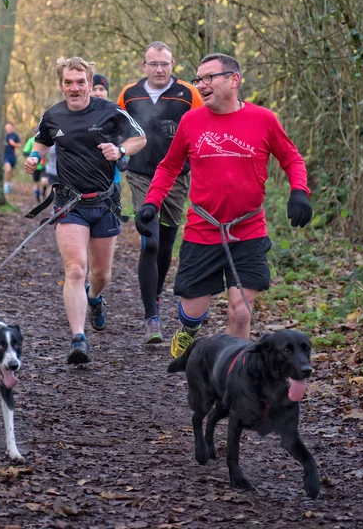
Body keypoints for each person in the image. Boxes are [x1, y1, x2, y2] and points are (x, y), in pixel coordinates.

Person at [135, 53, 312, 356]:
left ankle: (234, 375)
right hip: (202, 229)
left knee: (240, 311)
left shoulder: (264, 119)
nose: (200, 85)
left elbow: (292, 159)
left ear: (233, 80)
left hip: (248, 230)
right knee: (191, 312)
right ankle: (189, 332)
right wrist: (152, 203)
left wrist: (299, 192)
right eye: (198, 79)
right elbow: (168, 167)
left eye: (208, 78)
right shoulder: (191, 121)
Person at [24, 57, 146, 365]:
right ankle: (78, 338)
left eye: (80, 82)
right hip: (69, 203)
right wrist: (34, 159)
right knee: (75, 269)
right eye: (69, 82)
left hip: (104, 202)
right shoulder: (52, 116)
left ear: (90, 85)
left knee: (100, 273)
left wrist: (120, 150)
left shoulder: (110, 112)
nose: (75, 88)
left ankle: (95, 298)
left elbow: (139, 138)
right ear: (61, 85)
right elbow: (41, 143)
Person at [117, 41, 204, 344]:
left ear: (172, 64)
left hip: (177, 177)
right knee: (150, 243)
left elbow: (204, 128)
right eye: (153, 64)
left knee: (166, 245)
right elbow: (116, 129)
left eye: (164, 64)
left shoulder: (187, 94)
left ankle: (154, 295)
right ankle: (151, 316)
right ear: (144, 66)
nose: (158, 69)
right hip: (142, 176)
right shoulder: (129, 94)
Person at [91, 74, 126, 186]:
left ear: (107, 93)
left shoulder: (116, 114)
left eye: (101, 89)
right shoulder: (77, 114)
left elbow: (130, 137)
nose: (97, 93)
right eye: (94, 89)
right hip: (83, 181)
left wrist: (122, 154)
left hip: (112, 180)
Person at [23, 135, 48, 202]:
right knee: (37, 184)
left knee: (44, 181)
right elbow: (25, 152)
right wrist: (33, 154)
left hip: (45, 165)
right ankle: (38, 200)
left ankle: (44, 194)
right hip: (35, 166)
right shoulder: (32, 140)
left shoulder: (50, 138)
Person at [3, 121, 20, 199]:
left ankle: (9, 184)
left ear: (12, 128)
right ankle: (6, 185)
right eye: (7, 128)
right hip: (5, 155)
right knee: (8, 169)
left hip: (12, 156)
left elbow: (19, 145)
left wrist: (14, 144)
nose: (8, 129)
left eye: (9, 128)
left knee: (10, 172)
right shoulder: (3, 136)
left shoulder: (15, 135)